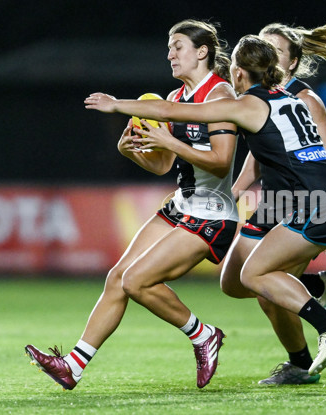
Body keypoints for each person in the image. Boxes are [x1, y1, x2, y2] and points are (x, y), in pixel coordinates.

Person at [84, 34, 326, 392]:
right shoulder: (292, 98)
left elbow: (170, 109)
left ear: (238, 71)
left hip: (318, 201)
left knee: (255, 272)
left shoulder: (246, 104)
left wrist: (116, 105)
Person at [25, 19, 239, 390]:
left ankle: (203, 335)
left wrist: (121, 109)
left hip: (213, 214)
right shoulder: (175, 100)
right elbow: (164, 165)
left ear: (202, 52)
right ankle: (73, 365)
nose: (170, 54)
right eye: (169, 47)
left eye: (178, 47)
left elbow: (221, 161)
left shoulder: (220, 97)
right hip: (181, 205)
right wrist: (133, 152)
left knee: (138, 281)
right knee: (117, 279)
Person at [220, 19, 326, 385]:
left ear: (291, 62)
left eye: (277, 50)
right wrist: (233, 192)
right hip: (271, 203)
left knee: (268, 290)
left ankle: (300, 364)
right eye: (264, 47)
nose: (269, 55)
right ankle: (317, 287)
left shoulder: (304, 99)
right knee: (233, 283)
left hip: (301, 202)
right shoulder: (260, 97)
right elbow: (259, 155)